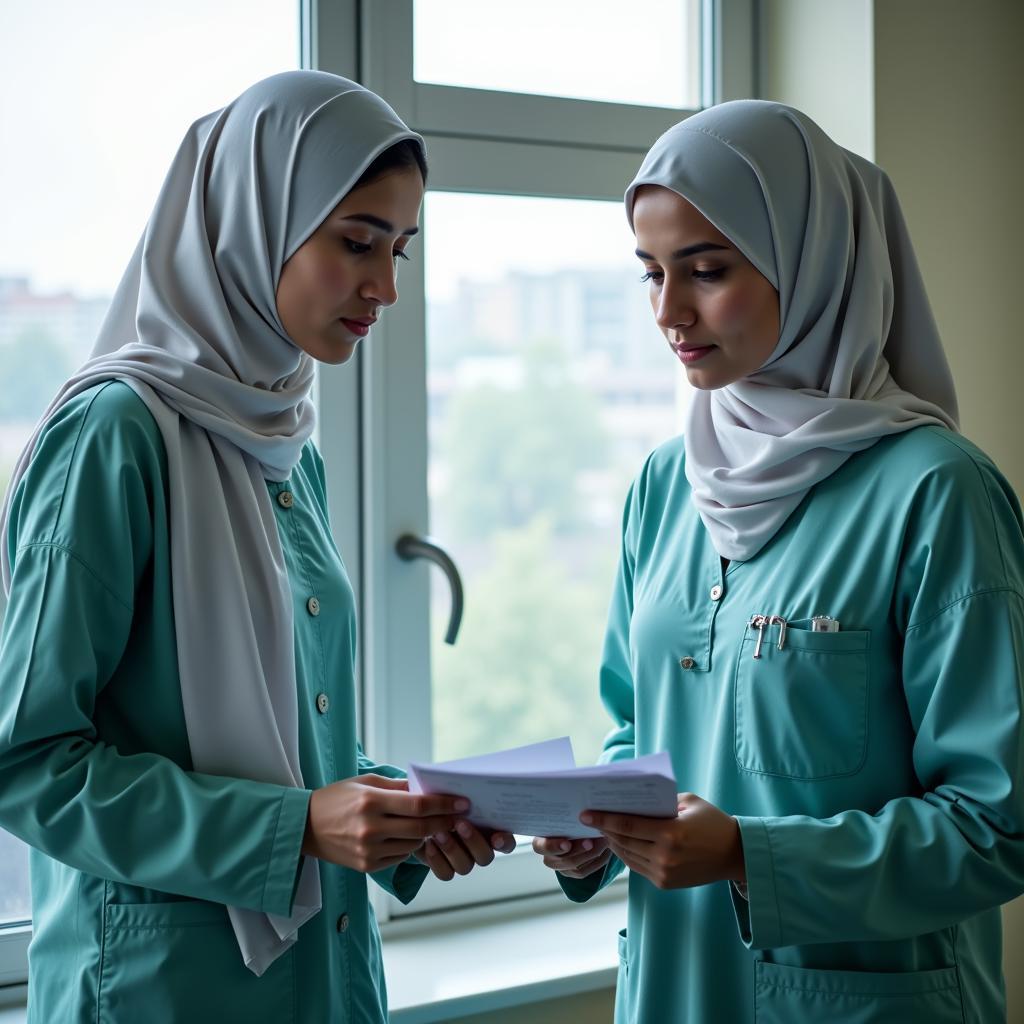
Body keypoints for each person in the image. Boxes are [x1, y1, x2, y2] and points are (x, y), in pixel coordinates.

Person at [0, 70, 511, 1023]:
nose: (386, 286)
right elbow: (24, 761)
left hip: (320, 977)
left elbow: (289, 736)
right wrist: (298, 828)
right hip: (159, 991)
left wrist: (399, 812)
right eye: (357, 242)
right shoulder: (114, 436)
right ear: (250, 225)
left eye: (401, 249)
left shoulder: (278, 441)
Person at [532, 100, 1024, 1023]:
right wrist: (593, 831)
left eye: (707, 271)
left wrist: (750, 857)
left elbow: (1000, 826)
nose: (669, 311)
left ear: (814, 263)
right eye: (649, 274)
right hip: (674, 988)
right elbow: (637, 734)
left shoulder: (936, 493)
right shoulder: (664, 484)